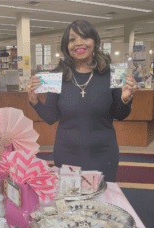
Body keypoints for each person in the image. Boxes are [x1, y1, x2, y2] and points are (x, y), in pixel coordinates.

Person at [26, 20, 138, 182]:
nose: (78, 43)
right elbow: (51, 118)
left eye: (85, 37)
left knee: (102, 202)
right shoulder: (57, 77)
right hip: (67, 153)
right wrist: (34, 100)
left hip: (103, 153)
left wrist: (126, 99)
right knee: (71, 203)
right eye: (72, 39)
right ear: (66, 45)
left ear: (94, 41)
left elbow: (119, 114)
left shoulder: (111, 74)